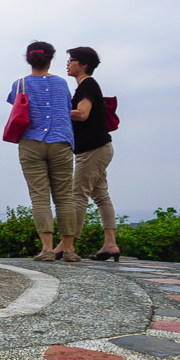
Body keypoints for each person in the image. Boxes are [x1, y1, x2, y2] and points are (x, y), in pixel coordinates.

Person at [7, 42, 80, 262]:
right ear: (50, 59)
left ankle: (47, 249)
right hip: (61, 142)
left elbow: (15, 104)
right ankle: (68, 250)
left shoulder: (19, 84)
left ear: (28, 59)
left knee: (39, 197)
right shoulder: (61, 84)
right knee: (65, 196)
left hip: (31, 142)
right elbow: (67, 108)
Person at [65, 46, 119, 261]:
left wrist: (56, 111)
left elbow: (82, 114)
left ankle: (66, 244)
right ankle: (110, 245)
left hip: (92, 149)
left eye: (71, 60)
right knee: (101, 195)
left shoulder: (87, 84)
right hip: (100, 148)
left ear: (83, 65)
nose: (68, 64)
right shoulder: (86, 86)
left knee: (78, 194)